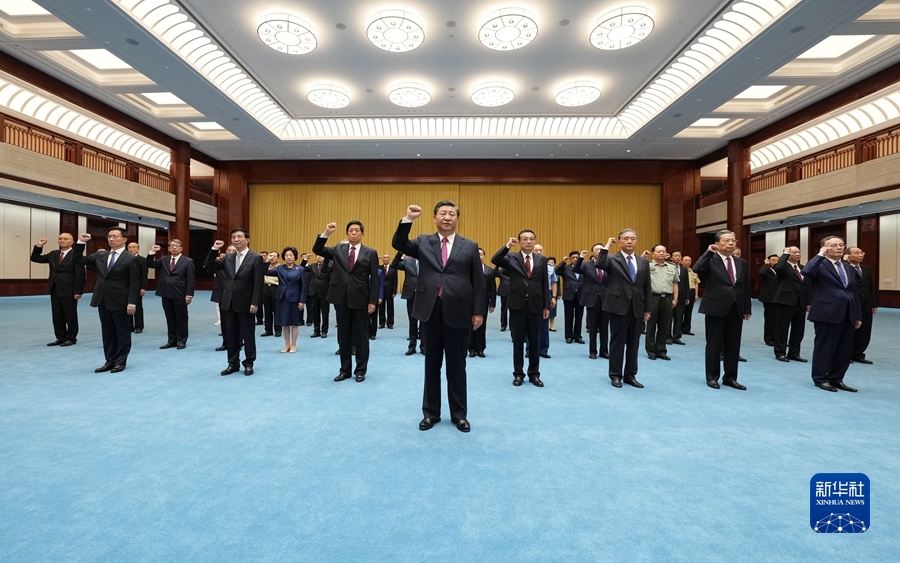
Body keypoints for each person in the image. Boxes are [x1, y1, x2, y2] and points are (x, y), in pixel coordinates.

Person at [393, 201, 485, 432]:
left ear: (457, 219)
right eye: (442, 213)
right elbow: (398, 243)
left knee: (457, 367)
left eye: (452, 214)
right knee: (431, 365)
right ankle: (430, 413)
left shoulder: (469, 246)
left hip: (459, 312)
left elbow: (478, 281)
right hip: (430, 311)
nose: (447, 217)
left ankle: (459, 415)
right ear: (434, 218)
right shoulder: (423, 241)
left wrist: (478, 311)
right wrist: (408, 219)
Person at [313, 220, 379, 382]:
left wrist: (372, 301)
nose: (354, 233)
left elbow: (374, 279)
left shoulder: (370, 252)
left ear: (362, 234)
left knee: (362, 336)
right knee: (344, 336)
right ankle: (345, 370)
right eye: (351, 230)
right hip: (341, 298)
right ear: (347, 234)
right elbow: (317, 249)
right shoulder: (338, 249)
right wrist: (327, 233)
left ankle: (360, 370)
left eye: (357, 230)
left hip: (361, 298)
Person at [693, 230, 752, 390]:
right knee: (714, 344)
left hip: (736, 307)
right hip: (716, 307)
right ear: (717, 243)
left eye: (733, 240)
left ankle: (730, 378)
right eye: (726, 240)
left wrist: (747, 308)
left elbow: (744, 287)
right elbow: (697, 268)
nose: (731, 243)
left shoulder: (741, 262)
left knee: (733, 344)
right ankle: (712, 377)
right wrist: (708, 252)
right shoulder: (711, 259)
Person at [77, 228, 141, 373]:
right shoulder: (101, 255)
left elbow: (134, 283)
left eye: (115, 236)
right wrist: (81, 242)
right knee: (107, 332)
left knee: (122, 333)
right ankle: (109, 360)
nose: (111, 239)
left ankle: (120, 361)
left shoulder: (131, 259)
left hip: (121, 300)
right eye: (109, 236)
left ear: (124, 239)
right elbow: (78, 260)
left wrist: (132, 302)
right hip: (103, 299)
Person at [492, 230, 551, 387]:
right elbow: (495, 259)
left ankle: (534, 374)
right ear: (519, 242)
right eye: (525, 239)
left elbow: (544, 282)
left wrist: (546, 305)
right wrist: (507, 246)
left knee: (535, 341)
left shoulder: (541, 259)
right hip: (517, 304)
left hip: (536, 304)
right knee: (517, 341)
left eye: (531, 239)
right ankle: (518, 373)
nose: (528, 242)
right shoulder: (512, 257)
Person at [802, 237, 862, 392]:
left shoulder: (848, 267)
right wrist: (820, 254)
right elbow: (807, 272)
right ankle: (820, 378)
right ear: (825, 248)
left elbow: (854, 292)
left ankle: (836, 378)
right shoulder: (820, 264)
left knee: (844, 349)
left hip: (848, 312)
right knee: (825, 347)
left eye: (841, 245)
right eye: (834, 245)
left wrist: (857, 315)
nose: (839, 247)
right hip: (826, 312)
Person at [206, 229, 266, 376]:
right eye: (233, 237)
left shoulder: (255, 258)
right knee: (231, 334)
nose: (236, 239)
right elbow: (209, 267)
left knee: (248, 334)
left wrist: (255, 302)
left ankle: (249, 363)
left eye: (239, 236)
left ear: (247, 239)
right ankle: (233, 363)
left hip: (247, 302)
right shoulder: (228, 257)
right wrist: (214, 249)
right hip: (228, 301)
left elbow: (258, 282)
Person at [596, 230, 651, 388]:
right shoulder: (612, 259)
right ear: (620, 242)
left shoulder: (643, 261)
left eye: (632, 239)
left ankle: (630, 375)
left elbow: (646, 286)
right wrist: (607, 246)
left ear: (636, 242)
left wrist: (648, 308)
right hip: (618, 306)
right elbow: (599, 264)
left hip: (637, 307)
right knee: (617, 342)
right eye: (626, 239)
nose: (629, 241)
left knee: (634, 343)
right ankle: (615, 375)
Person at [30, 232, 85, 346]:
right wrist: (39, 245)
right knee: (57, 315)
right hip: (54, 288)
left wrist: (78, 291)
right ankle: (60, 337)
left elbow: (80, 275)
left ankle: (71, 338)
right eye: (60, 239)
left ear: (72, 242)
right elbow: (35, 258)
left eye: (65, 239)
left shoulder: (76, 255)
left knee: (70, 315)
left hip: (69, 289)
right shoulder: (53, 254)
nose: (62, 240)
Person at [148, 239, 196, 349]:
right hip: (165, 292)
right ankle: (172, 340)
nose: (174, 247)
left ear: (181, 248)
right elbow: (150, 264)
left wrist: (189, 294)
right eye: (172, 246)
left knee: (181, 318)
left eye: (177, 246)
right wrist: (152, 252)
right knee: (169, 318)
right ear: (169, 248)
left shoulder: (188, 261)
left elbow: (191, 279)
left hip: (180, 293)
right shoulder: (164, 259)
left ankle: (181, 340)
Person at [264, 247, 308, 353]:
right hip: (282, 298)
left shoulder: (300, 269)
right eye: (287, 255)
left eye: (291, 255)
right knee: (285, 322)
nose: (289, 257)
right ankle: (287, 344)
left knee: (295, 323)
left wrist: (302, 301)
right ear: (284, 257)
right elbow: (265, 272)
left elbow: (304, 287)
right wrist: (268, 261)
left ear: (295, 257)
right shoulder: (280, 268)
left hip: (295, 298)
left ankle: (293, 344)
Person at [773, 247, 809, 362]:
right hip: (785, 301)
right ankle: (780, 352)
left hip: (800, 302)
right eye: (794, 252)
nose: (797, 254)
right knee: (782, 329)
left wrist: (809, 301)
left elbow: (807, 286)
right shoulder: (782, 266)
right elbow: (779, 267)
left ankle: (794, 353)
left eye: (799, 252)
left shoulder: (802, 268)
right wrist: (785, 254)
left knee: (798, 330)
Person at [574, 244, 609, 360]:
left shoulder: (608, 264)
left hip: (605, 299)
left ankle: (604, 351)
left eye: (601, 249)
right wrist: (581, 257)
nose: (599, 251)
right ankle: (593, 351)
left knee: (604, 327)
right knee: (593, 327)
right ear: (592, 252)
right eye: (596, 249)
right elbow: (576, 269)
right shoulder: (586, 265)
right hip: (591, 298)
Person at [646, 244, 679, 361]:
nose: (661, 253)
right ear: (653, 254)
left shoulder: (672, 267)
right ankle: (651, 350)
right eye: (658, 251)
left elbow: (675, 283)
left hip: (667, 298)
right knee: (651, 325)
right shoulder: (647, 266)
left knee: (664, 325)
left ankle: (661, 350)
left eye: (663, 251)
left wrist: (675, 299)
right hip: (653, 297)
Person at [847, 247, 877, 364]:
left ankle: (858, 354)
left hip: (866, 304)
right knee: (850, 330)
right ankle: (847, 354)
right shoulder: (845, 268)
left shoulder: (866, 269)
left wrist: (873, 304)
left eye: (862, 253)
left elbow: (870, 287)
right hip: (852, 303)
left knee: (865, 331)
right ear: (848, 256)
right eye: (857, 253)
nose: (860, 255)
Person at [393, 251, 423, 356]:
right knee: (412, 321)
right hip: (411, 294)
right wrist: (400, 252)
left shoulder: (427, 260)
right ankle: (412, 346)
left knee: (424, 321)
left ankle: (424, 347)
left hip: (424, 294)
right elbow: (394, 265)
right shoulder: (407, 261)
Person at [468, 248, 497, 358]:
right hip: (469, 301)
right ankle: (471, 348)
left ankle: (480, 348)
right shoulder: (467, 270)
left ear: (484, 257)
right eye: (477, 254)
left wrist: (492, 303)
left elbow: (493, 288)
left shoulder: (490, 271)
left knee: (482, 325)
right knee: (470, 324)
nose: (479, 256)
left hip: (483, 301)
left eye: (481, 254)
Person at [209, 245, 236, 351]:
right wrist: (214, 250)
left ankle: (239, 342)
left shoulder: (242, 263)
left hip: (238, 295)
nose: (231, 252)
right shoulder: (220, 263)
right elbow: (208, 266)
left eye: (233, 250)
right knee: (224, 321)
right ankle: (226, 343)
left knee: (237, 321)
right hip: (223, 295)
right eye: (229, 250)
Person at [533, 245, 558, 359]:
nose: (538, 252)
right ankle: (530, 350)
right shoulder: (527, 264)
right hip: (532, 295)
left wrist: (554, 297)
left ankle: (543, 350)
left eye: (540, 250)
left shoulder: (550, 267)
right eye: (536, 250)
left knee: (544, 323)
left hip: (546, 295)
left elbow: (553, 282)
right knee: (531, 324)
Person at [556, 251, 585, 344]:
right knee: (568, 316)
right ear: (570, 259)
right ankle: (568, 336)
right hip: (569, 294)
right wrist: (563, 262)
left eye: (577, 257)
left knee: (579, 316)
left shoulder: (584, 268)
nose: (575, 259)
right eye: (573, 258)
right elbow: (556, 271)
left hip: (581, 295)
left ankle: (577, 336)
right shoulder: (565, 268)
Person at [303, 253, 331, 338]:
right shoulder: (313, 266)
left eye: (321, 255)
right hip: (314, 292)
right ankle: (316, 330)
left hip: (324, 292)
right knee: (315, 313)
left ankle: (324, 330)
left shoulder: (329, 266)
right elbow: (302, 268)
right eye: (318, 255)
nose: (319, 257)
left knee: (325, 313)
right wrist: (305, 260)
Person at [126, 242, 148, 334]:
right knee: (126, 306)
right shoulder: (125, 259)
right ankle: (129, 326)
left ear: (138, 249)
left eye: (133, 247)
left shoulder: (142, 260)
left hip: (137, 287)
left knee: (137, 306)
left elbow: (144, 274)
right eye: (129, 247)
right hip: (126, 287)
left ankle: (139, 326)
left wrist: (143, 287)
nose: (131, 249)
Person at [667, 250, 688, 346]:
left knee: (679, 317)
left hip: (681, 296)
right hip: (670, 295)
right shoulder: (667, 267)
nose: (677, 257)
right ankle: (667, 336)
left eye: (679, 256)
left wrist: (687, 296)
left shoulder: (684, 269)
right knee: (668, 317)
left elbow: (686, 284)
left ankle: (676, 337)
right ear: (671, 257)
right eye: (675, 256)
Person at [758, 254, 779, 346]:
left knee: (779, 319)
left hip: (780, 297)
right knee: (770, 319)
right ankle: (769, 338)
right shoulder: (766, 270)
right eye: (773, 260)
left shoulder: (780, 270)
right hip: (769, 298)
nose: (775, 262)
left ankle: (778, 339)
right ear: (768, 261)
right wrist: (766, 264)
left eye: (777, 260)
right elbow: (761, 273)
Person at [260, 253, 281, 338]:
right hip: (265, 288)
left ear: (278, 258)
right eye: (270, 256)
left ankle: (278, 330)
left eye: (274, 256)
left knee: (277, 310)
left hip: (276, 288)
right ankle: (268, 330)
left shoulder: (281, 268)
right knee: (267, 310)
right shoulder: (265, 266)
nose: (272, 258)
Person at [378, 253, 397, 329]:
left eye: (387, 257)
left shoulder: (393, 268)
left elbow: (395, 281)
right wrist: (377, 259)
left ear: (389, 259)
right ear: (382, 259)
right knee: (381, 308)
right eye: (384, 257)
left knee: (390, 308)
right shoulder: (379, 268)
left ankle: (390, 323)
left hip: (390, 291)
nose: (385, 259)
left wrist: (394, 291)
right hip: (381, 291)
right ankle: (382, 323)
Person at [681, 255, 699, 335]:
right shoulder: (680, 271)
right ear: (682, 261)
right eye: (686, 260)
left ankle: (686, 328)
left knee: (689, 311)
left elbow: (696, 283)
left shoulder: (693, 271)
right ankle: (679, 328)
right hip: (683, 291)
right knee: (681, 311)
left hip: (691, 291)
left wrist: (696, 294)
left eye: (689, 260)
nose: (688, 262)